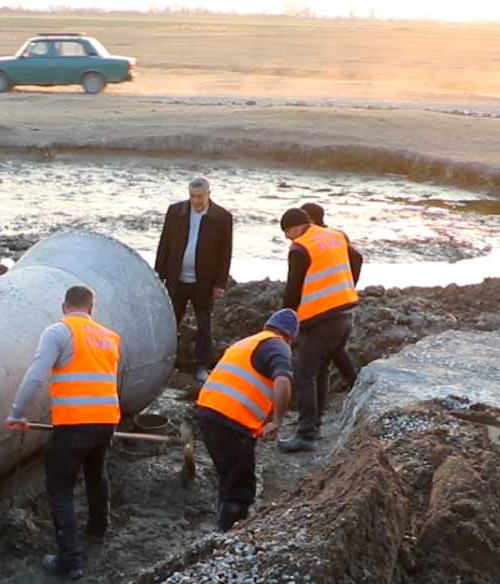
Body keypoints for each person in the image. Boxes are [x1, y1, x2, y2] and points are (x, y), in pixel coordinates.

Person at [6, 285, 123, 579]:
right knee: (97, 474)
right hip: (106, 419)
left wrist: (17, 414)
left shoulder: (58, 332)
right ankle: (98, 530)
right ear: (91, 308)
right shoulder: (110, 338)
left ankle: (69, 561)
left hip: (74, 423)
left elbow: (35, 376)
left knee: (61, 488)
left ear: (64, 306)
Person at [195, 309, 296, 531]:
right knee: (242, 487)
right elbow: (282, 380)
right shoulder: (278, 345)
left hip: (207, 412)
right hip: (231, 421)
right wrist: (278, 421)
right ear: (290, 336)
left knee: (229, 474)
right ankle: (227, 536)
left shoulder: (246, 342)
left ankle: (222, 522)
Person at [276, 207, 361, 454]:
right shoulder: (335, 235)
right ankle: (315, 425)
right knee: (321, 370)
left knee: (304, 372)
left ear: (294, 227)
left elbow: (292, 289)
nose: (288, 239)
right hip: (345, 312)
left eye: (287, 233)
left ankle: (306, 435)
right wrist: (347, 286)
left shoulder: (300, 248)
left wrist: (285, 322)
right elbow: (357, 259)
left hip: (322, 318)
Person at [154, 176, 233, 381]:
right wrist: (158, 275)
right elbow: (164, 244)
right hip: (176, 279)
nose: (196, 201)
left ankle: (201, 366)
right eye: (192, 197)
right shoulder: (175, 211)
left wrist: (220, 284)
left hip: (204, 281)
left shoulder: (222, 217)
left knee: (204, 326)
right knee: (170, 323)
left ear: (208, 194)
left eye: (199, 197)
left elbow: (226, 253)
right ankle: (165, 363)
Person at [301, 202, 364, 391]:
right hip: (339, 298)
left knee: (329, 349)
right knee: (335, 347)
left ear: (310, 219)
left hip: (328, 302)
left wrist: (349, 283)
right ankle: (351, 379)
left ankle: (351, 379)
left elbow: (357, 258)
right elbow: (357, 258)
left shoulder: (325, 237)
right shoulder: (336, 235)